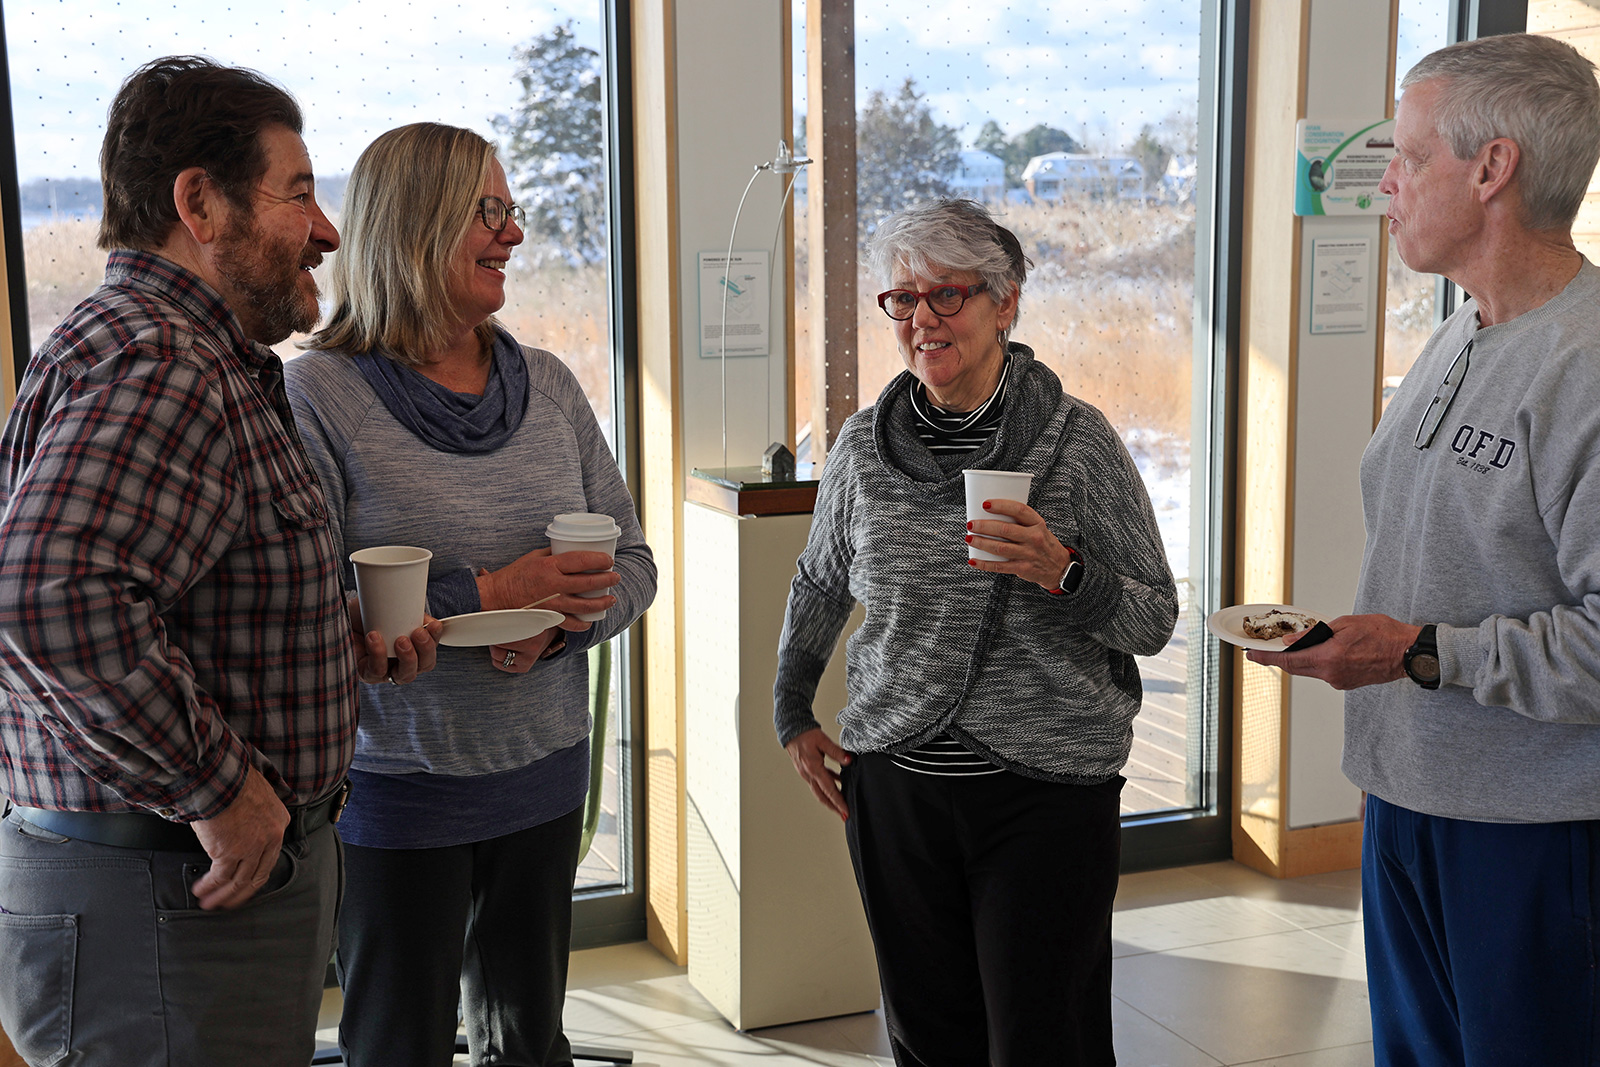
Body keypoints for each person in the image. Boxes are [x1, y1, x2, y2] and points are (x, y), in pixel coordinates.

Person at [0, 56, 441, 1067]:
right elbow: (47, 593)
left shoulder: (153, 346)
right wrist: (220, 789)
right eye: (297, 195)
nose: (327, 231)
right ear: (199, 202)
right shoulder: (165, 358)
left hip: (166, 900)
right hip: (164, 906)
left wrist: (333, 646)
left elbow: (170, 591)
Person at [1249, 33, 1600, 1066]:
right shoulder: (1461, 329)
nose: (1386, 183)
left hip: (1533, 837)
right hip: (1409, 797)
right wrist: (1394, 674)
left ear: (1492, 169)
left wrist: (1416, 650)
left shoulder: (1584, 368)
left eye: (1405, 156)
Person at [284, 122, 656, 1067]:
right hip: (393, 796)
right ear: (416, 225)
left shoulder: (553, 387)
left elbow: (638, 563)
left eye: (510, 210)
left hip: (542, 781)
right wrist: (494, 588)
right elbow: (309, 611)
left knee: (527, 1045)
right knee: (397, 1045)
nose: (514, 235)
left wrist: (558, 631)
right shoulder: (319, 395)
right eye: (489, 213)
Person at [774, 198, 1177, 1066]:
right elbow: (819, 582)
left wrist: (1061, 570)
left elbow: (1153, 616)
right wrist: (792, 711)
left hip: (1047, 795)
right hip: (896, 788)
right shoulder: (860, 447)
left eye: (947, 296)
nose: (922, 319)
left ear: (1007, 301)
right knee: (927, 1036)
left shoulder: (1078, 445)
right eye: (904, 299)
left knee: (1044, 1040)